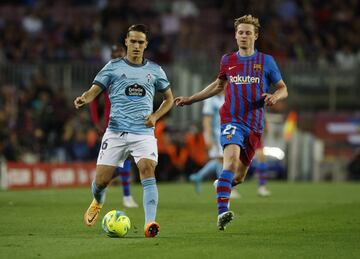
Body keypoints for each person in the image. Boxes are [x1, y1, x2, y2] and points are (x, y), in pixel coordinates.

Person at [175, 15, 288, 230]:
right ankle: (222, 213)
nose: (244, 36)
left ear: (256, 35)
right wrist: (191, 99)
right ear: (236, 36)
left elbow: (283, 88)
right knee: (231, 161)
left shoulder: (266, 61)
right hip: (231, 120)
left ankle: (223, 184)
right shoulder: (228, 60)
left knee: (240, 176)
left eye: (248, 32)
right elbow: (218, 86)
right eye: (240, 32)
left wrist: (275, 96)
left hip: (254, 125)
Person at [74, 24, 174, 238]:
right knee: (101, 181)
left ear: (146, 45)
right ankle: (98, 200)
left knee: (147, 169)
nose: (137, 45)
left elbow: (169, 99)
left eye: (141, 42)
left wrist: (155, 116)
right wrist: (84, 98)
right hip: (115, 131)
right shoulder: (113, 66)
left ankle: (150, 223)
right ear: (126, 42)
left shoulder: (155, 70)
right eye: (133, 41)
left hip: (143, 133)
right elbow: (94, 91)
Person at [89, 43, 139, 208]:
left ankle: (106, 183)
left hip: (131, 121)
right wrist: (96, 122)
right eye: (113, 52)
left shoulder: (134, 72)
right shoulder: (107, 73)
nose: (117, 54)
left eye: (119, 52)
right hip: (112, 124)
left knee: (126, 158)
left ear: (124, 53)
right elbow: (93, 99)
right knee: (122, 159)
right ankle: (124, 194)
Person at [189, 92, 240, 198]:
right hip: (216, 135)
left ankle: (199, 176)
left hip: (227, 132)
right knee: (223, 160)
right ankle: (225, 189)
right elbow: (206, 121)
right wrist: (208, 138)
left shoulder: (226, 97)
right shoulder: (210, 100)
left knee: (221, 160)